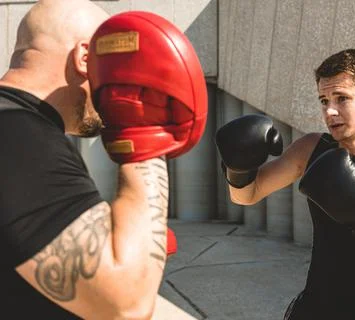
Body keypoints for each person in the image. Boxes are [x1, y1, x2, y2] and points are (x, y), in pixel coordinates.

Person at [0, 0, 207, 319]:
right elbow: (126, 303)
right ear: (86, 58)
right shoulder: (18, 135)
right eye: (112, 62)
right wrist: (143, 126)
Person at [215, 48, 355, 320]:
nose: (330, 111)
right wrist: (238, 168)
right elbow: (246, 196)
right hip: (315, 310)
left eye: (342, 98)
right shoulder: (312, 149)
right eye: (324, 100)